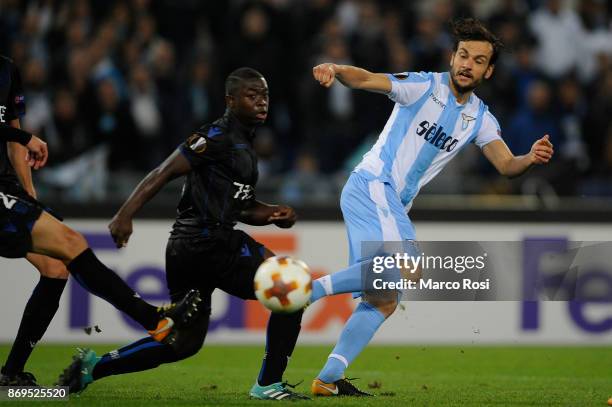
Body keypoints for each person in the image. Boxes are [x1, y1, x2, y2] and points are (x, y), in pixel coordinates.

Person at [308, 18, 554, 396]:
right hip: (374, 184)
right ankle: (307, 291)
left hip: (389, 201)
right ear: (452, 56)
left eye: (478, 60)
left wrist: (529, 158)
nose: (467, 64)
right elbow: (368, 79)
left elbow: (506, 166)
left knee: (384, 299)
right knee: (408, 267)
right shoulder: (424, 86)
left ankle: (327, 378)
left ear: (488, 71)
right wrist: (338, 69)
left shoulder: (479, 118)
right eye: (463, 55)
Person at [56, 67, 309, 400]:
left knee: (183, 343)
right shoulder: (215, 137)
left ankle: (93, 368)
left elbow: (240, 207)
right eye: (252, 95)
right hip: (205, 243)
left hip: (192, 247)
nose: (262, 102)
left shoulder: (243, 141)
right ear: (230, 100)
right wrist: (123, 215)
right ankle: (268, 384)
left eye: (264, 95)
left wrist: (272, 213)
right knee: (290, 289)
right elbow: (163, 171)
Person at [0, 55, 202, 388]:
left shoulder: (7, 69)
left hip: (5, 188)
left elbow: (12, 139)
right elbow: (19, 138)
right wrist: (26, 140)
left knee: (56, 266)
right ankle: (154, 320)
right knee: (71, 243)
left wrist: (30, 198)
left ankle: (11, 374)